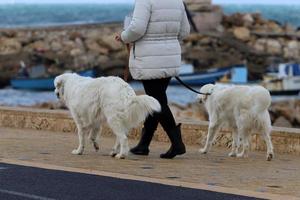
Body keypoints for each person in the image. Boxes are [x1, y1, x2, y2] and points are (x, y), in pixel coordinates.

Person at [115, 0, 190, 159]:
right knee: (155, 99)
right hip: (170, 57)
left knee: (156, 100)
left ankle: (177, 143)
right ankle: (144, 144)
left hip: (149, 59)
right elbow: (185, 31)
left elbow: (136, 29)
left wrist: (123, 36)